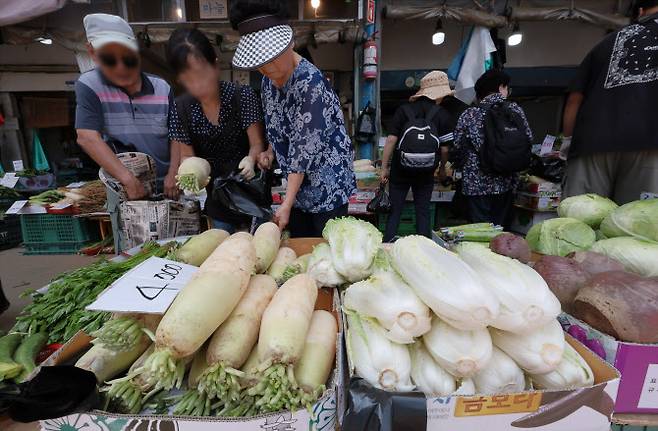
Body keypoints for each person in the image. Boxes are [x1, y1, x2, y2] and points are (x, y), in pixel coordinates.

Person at [229, 1, 356, 237]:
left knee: (325, 250)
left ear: (291, 43)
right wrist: (270, 151)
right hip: (296, 188)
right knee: (298, 249)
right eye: (260, 65)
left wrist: (286, 204)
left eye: (273, 60)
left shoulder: (311, 84)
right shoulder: (269, 81)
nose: (267, 70)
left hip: (326, 186)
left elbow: (302, 151)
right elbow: (278, 127)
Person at [166, 28, 266, 232]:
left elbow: (257, 143)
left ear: (215, 65)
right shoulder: (181, 108)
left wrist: (251, 158)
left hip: (252, 195)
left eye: (203, 75)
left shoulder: (242, 96)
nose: (199, 85)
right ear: (179, 80)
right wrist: (192, 173)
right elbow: (187, 156)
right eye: (189, 80)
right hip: (218, 202)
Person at [561, 0, 658, 204]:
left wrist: (568, 140)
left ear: (640, 11)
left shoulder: (608, 41)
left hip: (593, 142)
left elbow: (575, 98)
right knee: (637, 226)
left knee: (578, 221)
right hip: (651, 146)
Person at [75, 13, 178, 199]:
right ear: (92, 52)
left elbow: (178, 136)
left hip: (168, 186)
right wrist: (128, 179)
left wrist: (173, 173)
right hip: (125, 188)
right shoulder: (89, 85)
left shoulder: (162, 87)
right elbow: (87, 137)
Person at [380, 71, 455, 241]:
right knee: (423, 211)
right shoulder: (442, 115)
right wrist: (442, 168)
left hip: (400, 170)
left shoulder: (403, 110)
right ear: (439, 94)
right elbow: (444, 150)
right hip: (426, 172)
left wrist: (384, 168)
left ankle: (387, 244)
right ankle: (424, 248)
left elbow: (391, 140)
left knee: (395, 211)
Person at [452, 69, 533, 226]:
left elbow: (457, 146)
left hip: (476, 185)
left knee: (479, 232)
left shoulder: (469, 114)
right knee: (500, 233)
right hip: (506, 182)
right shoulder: (514, 110)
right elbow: (528, 138)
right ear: (501, 87)